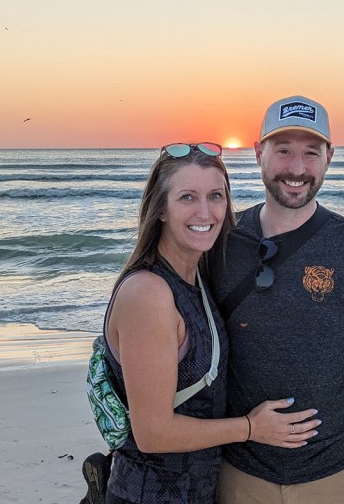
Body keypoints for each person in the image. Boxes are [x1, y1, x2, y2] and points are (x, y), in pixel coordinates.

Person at [209, 96, 344, 503]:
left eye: (311, 152)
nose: (297, 168)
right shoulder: (219, 242)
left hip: (341, 475)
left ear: (329, 157)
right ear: (258, 154)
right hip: (239, 477)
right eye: (283, 151)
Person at [94, 142, 320, 504]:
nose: (206, 211)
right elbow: (153, 432)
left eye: (216, 196)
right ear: (161, 209)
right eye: (187, 197)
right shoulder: (149, 293)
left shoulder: (195, 276)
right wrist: (251, 428)